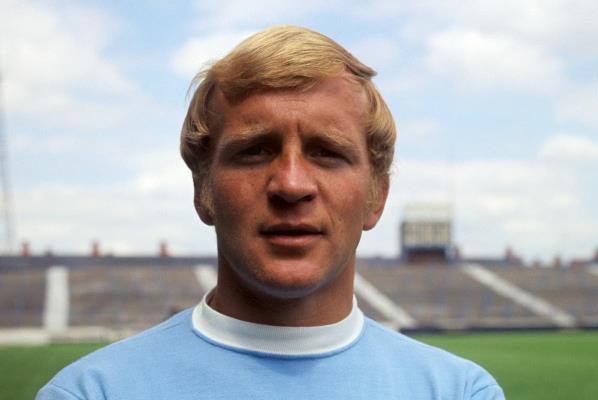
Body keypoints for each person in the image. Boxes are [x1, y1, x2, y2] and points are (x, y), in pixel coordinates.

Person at [37, 26, 505, 399]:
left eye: (326, 153)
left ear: (376, 195)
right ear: (203, 189)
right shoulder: (92, 393)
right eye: (255, 151)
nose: (292, 184)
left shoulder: (458, 392)